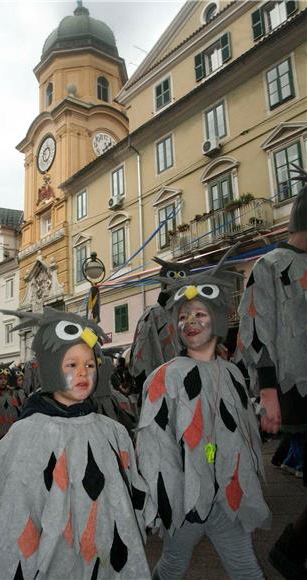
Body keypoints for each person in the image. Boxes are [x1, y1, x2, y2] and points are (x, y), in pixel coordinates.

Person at [0, 308, 150, 580]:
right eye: (71, 365)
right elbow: (13, 509)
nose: (83, 373)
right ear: (51, 368)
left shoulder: (112, 430)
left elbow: (126, 494)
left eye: (89, 364)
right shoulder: (26, 433)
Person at [137, 247, 271, 580]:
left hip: (227, 496)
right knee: (172, 565)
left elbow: (241, 427)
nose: (190, 322)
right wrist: (166, 499)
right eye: (183, 316)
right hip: (186, 502)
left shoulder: (232, 373)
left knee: (246, 567)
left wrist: (260, 413)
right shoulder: (163, 377)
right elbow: (152, 446)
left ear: (218, 317)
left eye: (199, 314)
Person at [237, 164, 307, 579]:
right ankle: (287, 551)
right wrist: (267, 394)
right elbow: (257, 332)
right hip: (294, 388)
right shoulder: (271, 265)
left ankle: (290, 550)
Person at [129, 258, 190, 394]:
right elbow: (142, 357)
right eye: (172, 276)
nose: (177, 281)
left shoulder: (191, 313)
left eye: (182, 276)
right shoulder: (153, 315)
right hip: (163, 389)